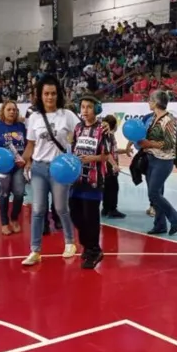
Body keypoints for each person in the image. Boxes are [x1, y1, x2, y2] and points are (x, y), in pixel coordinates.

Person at [21, 75, 78, 266]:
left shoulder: (67, 115)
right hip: (38, 168)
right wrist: (24, 159)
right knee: (38, 210)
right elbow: (31, 145)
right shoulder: (34, 117)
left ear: (58, 94)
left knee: (61, 208)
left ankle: (70, 242)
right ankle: (35, 250)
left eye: (53, 93)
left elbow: (82, 131)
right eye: (46, 93)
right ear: (40, 95)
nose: (50, 97)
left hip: (60, 169)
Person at [69, 96, 111, 269]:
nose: (85, 110)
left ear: (96, 109)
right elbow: (73, 149)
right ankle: (87, 245)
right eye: (83, 107)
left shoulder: (103, 129)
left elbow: (107, 155)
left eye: (89, 107)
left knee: (91, 217)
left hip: (94, 179)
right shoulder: (78, 128)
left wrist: (90, 158)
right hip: (77, 179)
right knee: (76, 215)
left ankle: (94, 250)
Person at [138, 90, 177, 235]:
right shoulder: (152, 118)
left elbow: (170, 143)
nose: (148, 102)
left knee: (153, 193)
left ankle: (175, 219)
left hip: (163, 161)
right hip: (151, 159)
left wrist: (149, 143)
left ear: (157, 102)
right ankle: (160, 225)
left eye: (150, 99)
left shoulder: (169, 120)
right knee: (155, 193)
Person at [0, 100, 27, 235]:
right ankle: (4, 222)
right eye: (9, 109)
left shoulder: (21, 127)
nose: (12, 112)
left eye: (14, 110)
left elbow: (28, 145)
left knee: (19, 193)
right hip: (2, 168)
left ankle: (14, 218)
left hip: (18, 166)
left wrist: (25, 160)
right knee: (4, 193)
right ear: (3, 111)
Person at [100, 114, 130, 219]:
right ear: (115, 126)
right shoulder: (109, 136)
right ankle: (112, 210)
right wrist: (115, 165)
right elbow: (108, 154)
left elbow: (114, 151)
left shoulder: (107, 136)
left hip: (106, 166)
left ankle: (105, 208)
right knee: (113, 188)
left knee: (107, 188)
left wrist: (125, 151)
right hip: (109, 166)